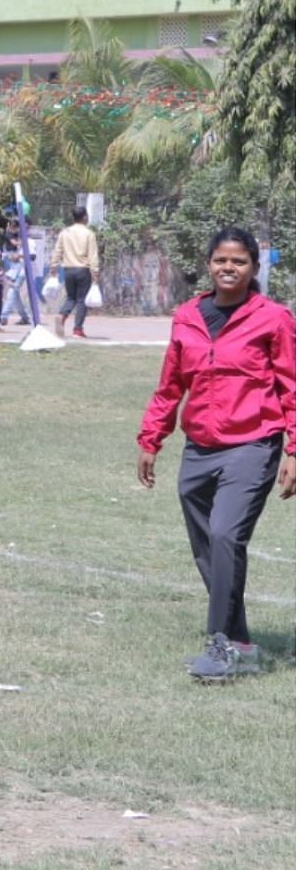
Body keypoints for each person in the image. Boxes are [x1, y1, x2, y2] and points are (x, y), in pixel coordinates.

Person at [137, 228, 296, 681]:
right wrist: (151, 439)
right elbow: (171, 385)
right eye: (221, 260)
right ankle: (242, 640)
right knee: (208, 548)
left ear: (253, 268)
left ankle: (221, 645)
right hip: (199, 450)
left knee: (227, 535)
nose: (229, 268)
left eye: (239, 261)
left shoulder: (274, 318)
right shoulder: (187, 316)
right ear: (208, 264)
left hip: (252, 444)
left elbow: (292, 386)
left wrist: (293, 450)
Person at [51, 207, 100, 339]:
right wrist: (95, 272)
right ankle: (77, 330)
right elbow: (93, 255)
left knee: (70, 298)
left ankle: (61, 317)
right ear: (84, 217)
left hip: (68, 269)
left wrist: (54, 266)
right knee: (81, 300)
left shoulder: (65, 232)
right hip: (83, 270)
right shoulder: (89, 234)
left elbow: (58, 250)